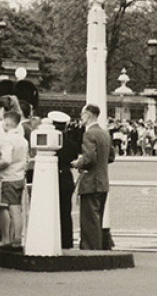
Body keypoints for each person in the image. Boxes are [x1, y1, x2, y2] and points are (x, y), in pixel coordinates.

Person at [72, 103, 114, 251]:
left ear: (88, 115)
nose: (81, 117)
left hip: (91, 182)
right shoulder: (104, 133)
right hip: (102, 181)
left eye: (82, 114)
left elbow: (89, 158)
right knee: (97, 220)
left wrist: (78, 163)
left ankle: (90, 249)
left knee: (89, 220)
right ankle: (97, 248)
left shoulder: (89, 134)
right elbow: (111, 156)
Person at [0, 110, 27, 249]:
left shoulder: (8, 139)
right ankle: (18, 238)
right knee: (17, 209)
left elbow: (6, 159)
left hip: (8, 177)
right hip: (19, 176)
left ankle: (6, 239)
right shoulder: (23, 140)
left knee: (5, 208)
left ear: (7, 123)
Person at [49, 111, 79, 249]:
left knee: (51, 210)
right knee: (66, 211)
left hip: (52, 176)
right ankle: (67, 241)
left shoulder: (51, 141)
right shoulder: (71, 144)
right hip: (66, 177)